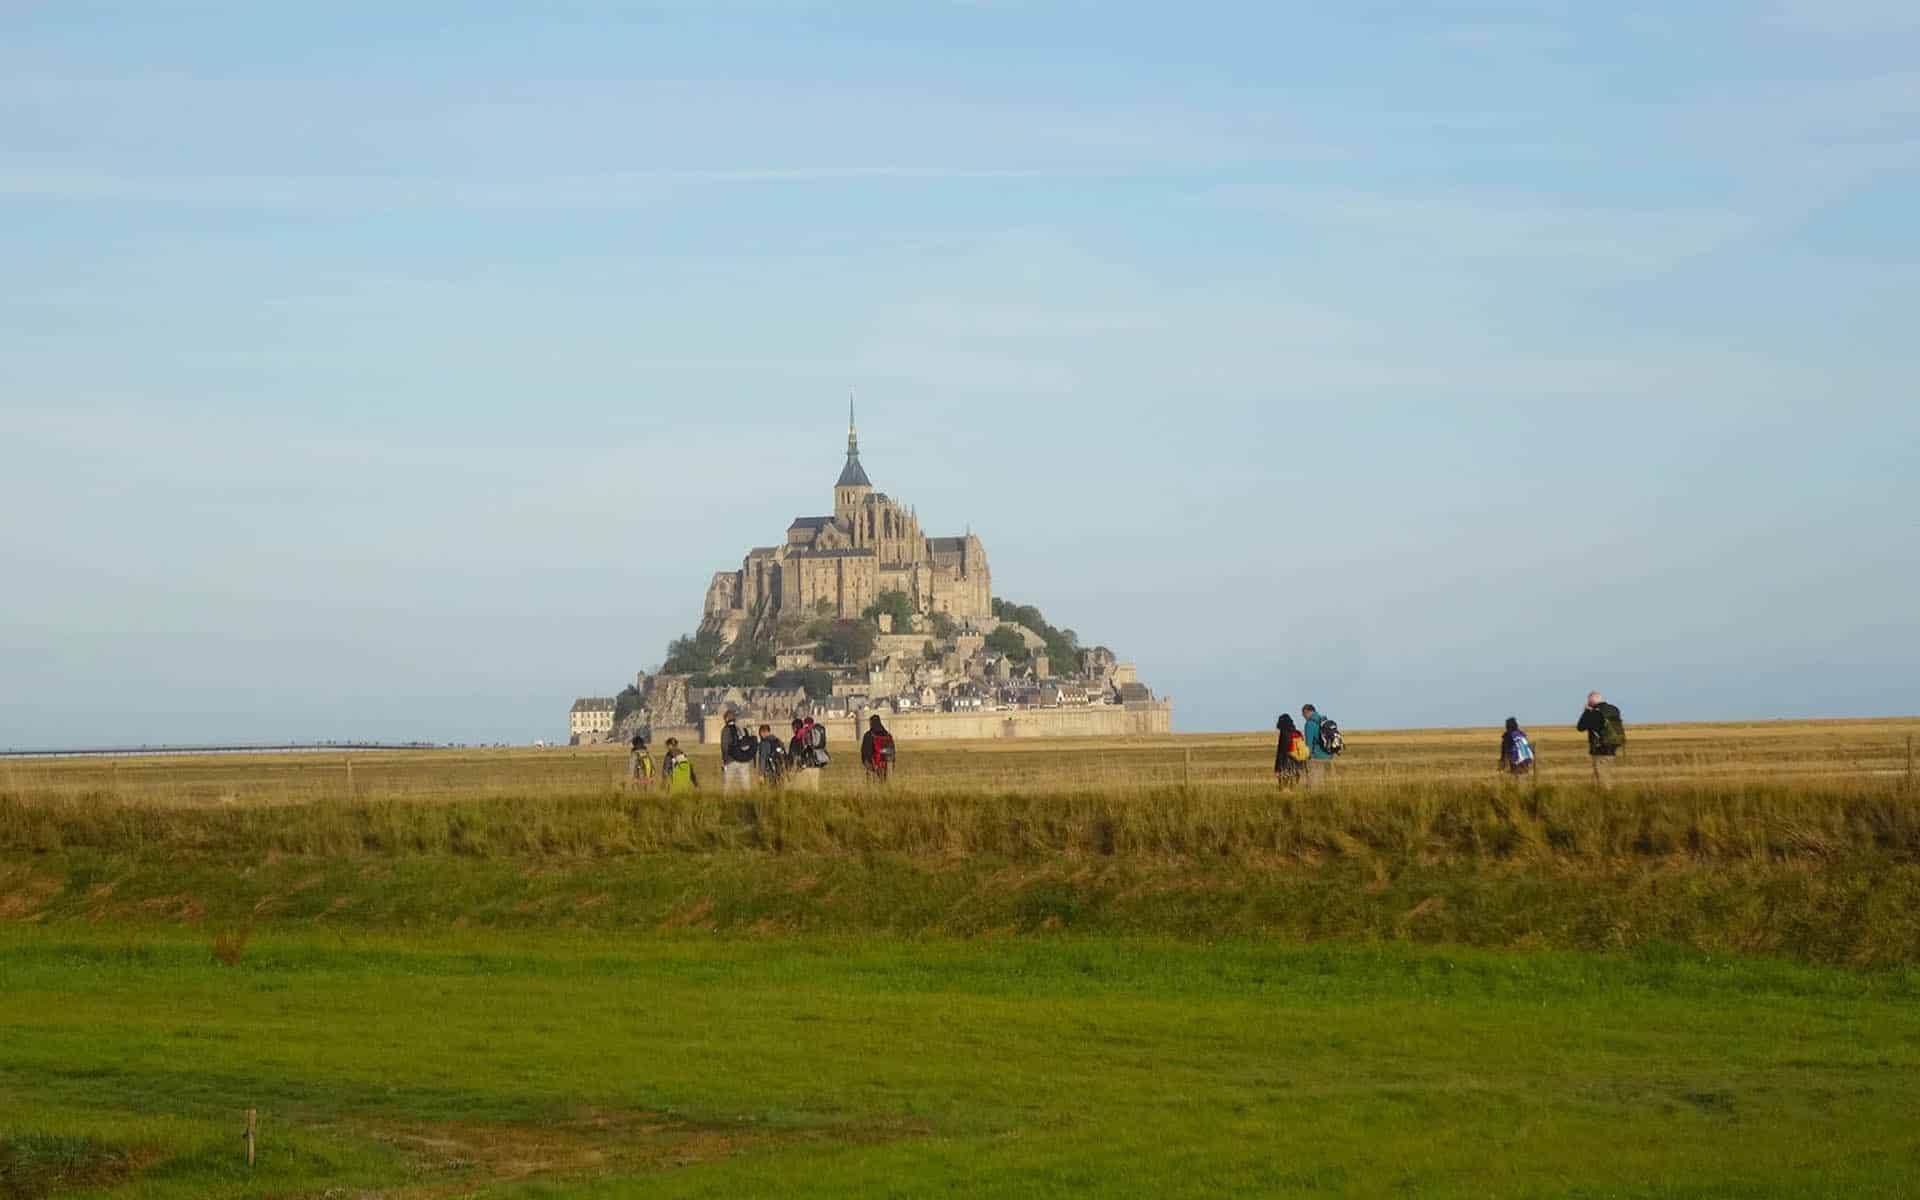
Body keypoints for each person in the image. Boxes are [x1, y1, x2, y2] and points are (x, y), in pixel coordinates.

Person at [1576, 691, 1626, 784]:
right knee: (1607, 772)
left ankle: (1606, 792)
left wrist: (1586, 711)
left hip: (1600, 747)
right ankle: (1605, 791)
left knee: (1602, 775)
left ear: (1590, 701)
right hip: (1613, 745)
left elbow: (1580, 727)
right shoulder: (1613, 709)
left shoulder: (1595, 712)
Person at [1301, 703, 1341, 786]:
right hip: (1329, 755)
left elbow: (1309, 743)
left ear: (1307, 712)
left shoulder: (1310, 723)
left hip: (1316, 757)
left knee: (1313, 784)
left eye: (1303, 714)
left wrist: (1307, 757)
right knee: (1323, 783)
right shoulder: (1323, 720)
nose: (1303, 716)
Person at [719, 708, 757, 792]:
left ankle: (726, 800)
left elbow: (724, 746)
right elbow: (748, 742)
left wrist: (725, 761)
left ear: (726, 719)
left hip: (731, 760)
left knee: (727, 787)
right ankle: (748, 799)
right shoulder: (742, 728)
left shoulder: (726, 729)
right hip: (744, 759)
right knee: (746, 786)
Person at [787, 716, 824, 792]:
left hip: (802, 767)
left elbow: (792, 754)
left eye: (793, 728)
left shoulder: (795, 739)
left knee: (801, 790)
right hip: (815, 766)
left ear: (795, 728)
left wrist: (789, 768)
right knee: (814, 790)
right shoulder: (812, 736)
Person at [1274, 713, 1308, 787]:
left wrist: (1277, 768)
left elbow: (1281, 752)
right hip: (1298, 761)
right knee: (1295, 783)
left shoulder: (1284, 733)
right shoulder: (1297, 733)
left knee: (1285, 785)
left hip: (1286, 762)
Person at [860, 715, 895, 781]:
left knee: (873, 784)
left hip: (873, 764)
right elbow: (892, 750)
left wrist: (866, 763)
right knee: (886, 783)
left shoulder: (869, 735)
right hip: (887, 764)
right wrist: (892, 763)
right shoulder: (887, 734)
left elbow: (864, 751)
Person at [754, 722, 788, 787]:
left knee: (770, 788)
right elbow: (784, 754)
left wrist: (761, 774)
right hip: (780, 769)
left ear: (762, 733)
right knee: (780, 787)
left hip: (769, 770)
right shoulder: (778, 740)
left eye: (760, 733)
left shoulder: (764, 743)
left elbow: (763, 758)